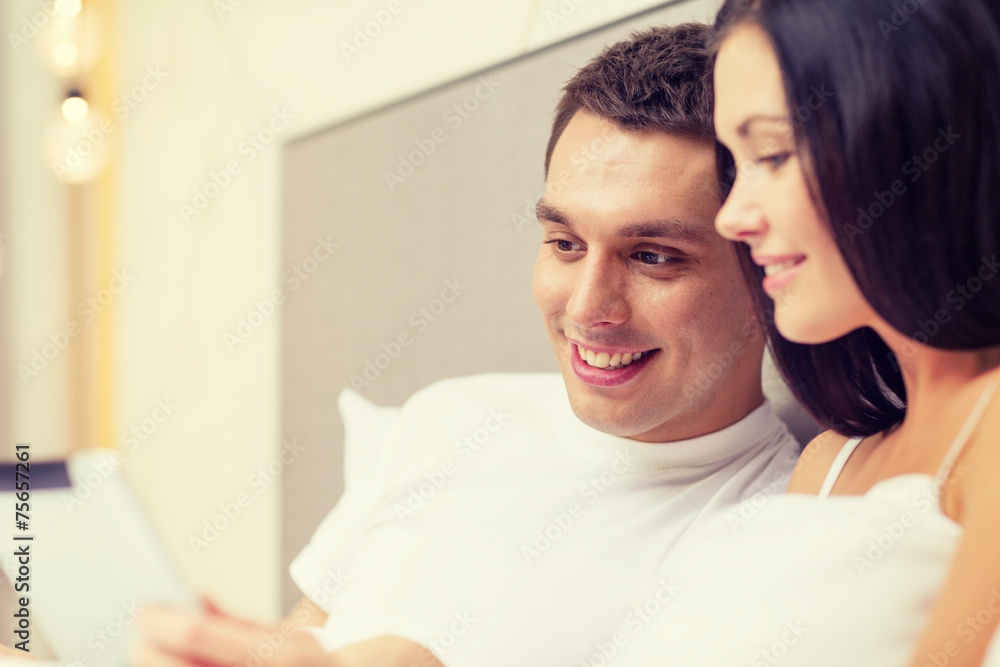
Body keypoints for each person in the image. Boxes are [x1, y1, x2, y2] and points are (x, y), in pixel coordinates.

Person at [129, 22, 802, 667]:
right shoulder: (449, 419)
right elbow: (299, 639)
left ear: (765, 269)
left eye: (653, 256)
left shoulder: (777, 537)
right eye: (565, 243)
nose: (586, 307)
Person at [612, 0, 1000, 665]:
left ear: (917, 143)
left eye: (772, 153)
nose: (732, 216)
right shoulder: (827, 463)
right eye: (735, 165)